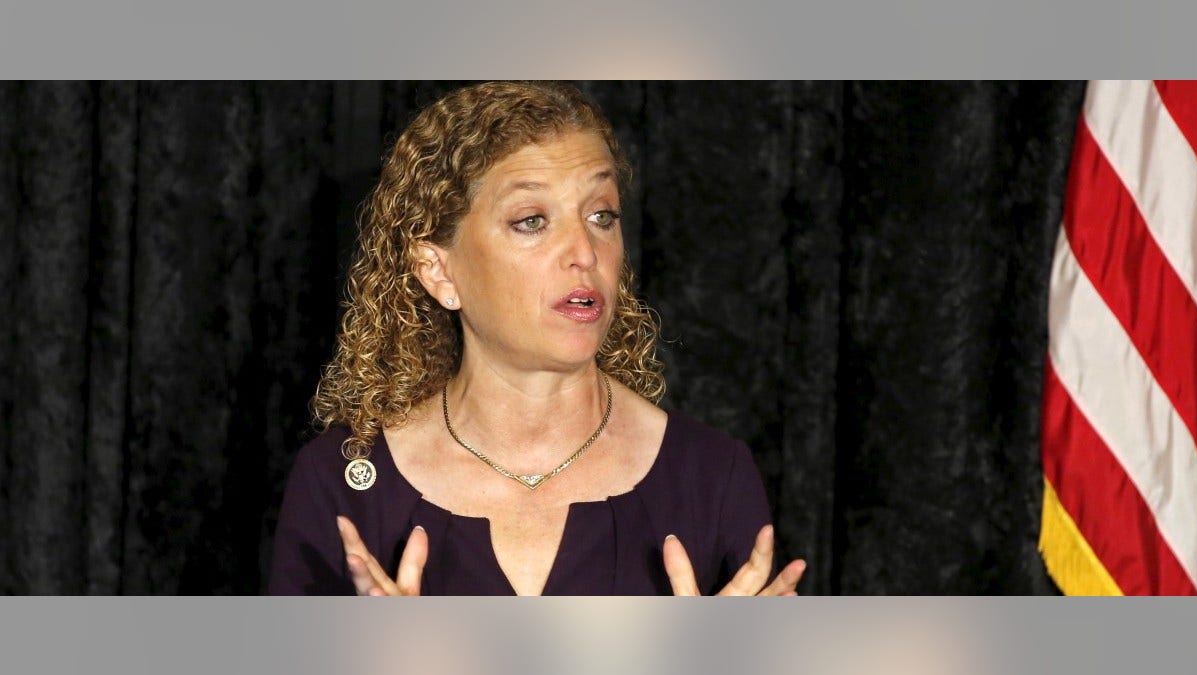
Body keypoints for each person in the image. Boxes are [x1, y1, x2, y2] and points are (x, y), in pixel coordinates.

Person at [268, 81, 806, 596]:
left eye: (602, 216)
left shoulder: (711, 476)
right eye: (531, 220)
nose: (585, 252)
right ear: (439, 271)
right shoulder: (341, 484)